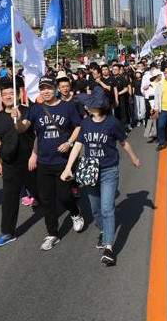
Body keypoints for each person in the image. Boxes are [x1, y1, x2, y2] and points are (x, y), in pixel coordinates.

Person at [62, 91, 141, 266]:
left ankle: (108, 248)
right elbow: (78, 145)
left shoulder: (112, 123)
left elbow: (123, 142)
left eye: (88, 103)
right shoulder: (85, 123)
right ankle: (104, 230)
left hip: (108, 171)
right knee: (95, 209)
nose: (85, 106)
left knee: (107, 209)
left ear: (97, 106)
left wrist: (134, 158)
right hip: (90, 171)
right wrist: (68, 167)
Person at [19, 77, 85, 251]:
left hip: (62, 161)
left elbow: (78, 126)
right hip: (44, 162)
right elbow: (23, 128)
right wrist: (17, 120)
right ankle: (52, 234)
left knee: (64, 196)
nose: (45, 91)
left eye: (48, 88)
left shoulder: (67, 106)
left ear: (55, 89)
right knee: (47, 200)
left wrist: (69, 142)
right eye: (42, 88)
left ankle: (75, 212)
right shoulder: (36, 109)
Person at [0, 79, 37, 247]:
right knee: (9, 199)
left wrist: (34, 155)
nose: (8, 96)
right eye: (5, 94)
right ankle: (7, 232)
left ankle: (58, 217)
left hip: (29, 161)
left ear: (17, 94)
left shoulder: (27, 111)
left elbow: (35, 134)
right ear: (1, 97)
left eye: (11, 93)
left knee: (43, 194)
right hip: (9, 163)